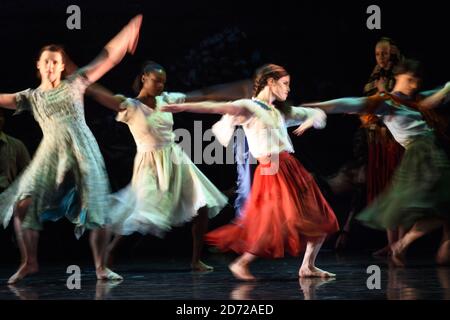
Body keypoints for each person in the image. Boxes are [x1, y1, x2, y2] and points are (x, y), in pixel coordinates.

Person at [0, 14, 143, 283]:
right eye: (47, 62)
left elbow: (107, 57)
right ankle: (29, 261)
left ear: (63, 65)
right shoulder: (30, 97)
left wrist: (127, 32)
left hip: (83, 152)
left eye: (56, 62)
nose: (51, 66)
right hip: (50, 158)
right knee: (23, 205)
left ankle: (101, 267)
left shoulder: (75, 82)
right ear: (39, 66)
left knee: (97, 209)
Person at [162, 64, 339, 280]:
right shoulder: (249, 106)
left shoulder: (277, 111)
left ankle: (307, 266)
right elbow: (216, 108)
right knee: (275, 223)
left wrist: (309, 121)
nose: (288, 89)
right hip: (272, 171)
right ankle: (241, 262)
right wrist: (183, 107)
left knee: (318, 216)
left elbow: (314, 113)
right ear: (270, 82)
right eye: (285, 84)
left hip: (292, 167)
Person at [86, 61, 252, 271]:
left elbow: (204, 95)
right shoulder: (130, 106)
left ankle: (195, 260)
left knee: (202, 205)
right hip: (149, 163)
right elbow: (101, 96)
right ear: (144, 77)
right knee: (141, 211)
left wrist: (234, 93)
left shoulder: (167, 99)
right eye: (157, 81)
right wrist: (81, 80)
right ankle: (111, 250)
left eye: (163, 82)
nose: (160, 86)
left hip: (175, 158)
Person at [302, 59, 450, 267]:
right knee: (439, 207)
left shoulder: (413, 101)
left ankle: (404, 245)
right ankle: (401, 244)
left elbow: (434, 98)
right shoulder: (386, 102)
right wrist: (317, 107)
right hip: (420, 154)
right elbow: (348, 103)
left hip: (432, 151)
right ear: (397, 77)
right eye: (410, 79)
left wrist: (446, 88)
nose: (414, 85)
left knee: (443, 209)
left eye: (417, 81)